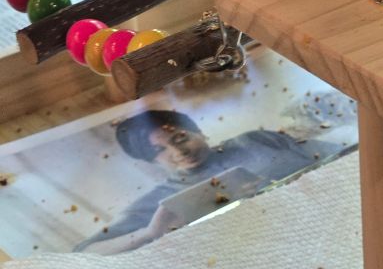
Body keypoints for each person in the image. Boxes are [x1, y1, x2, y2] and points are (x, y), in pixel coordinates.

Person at [75, 109, 340, 255]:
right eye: (160, 151)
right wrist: (150, 233)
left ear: (197, 130)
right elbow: (86, 253)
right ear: (152, 163)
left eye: (179, 138)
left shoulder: (253, 141)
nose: (179, 152)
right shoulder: (161, 200)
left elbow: (339, 154)